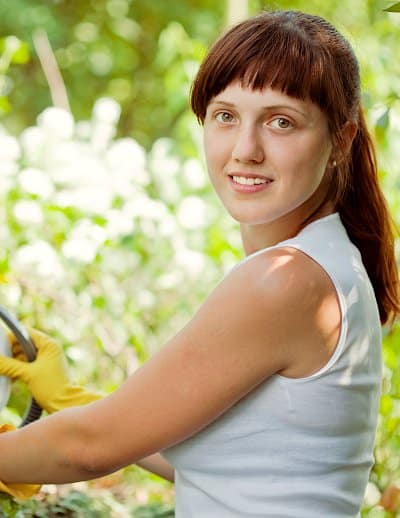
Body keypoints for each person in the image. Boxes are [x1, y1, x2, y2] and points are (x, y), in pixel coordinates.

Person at [0, 9, 399, 517]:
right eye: (226, 116)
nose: (246, 149)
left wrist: (69, 436)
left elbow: (89, 449)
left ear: (339, 141)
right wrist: (76, 401)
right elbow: (229, 463)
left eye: (281, 122)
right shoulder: (326, 259)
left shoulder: (288, 281)